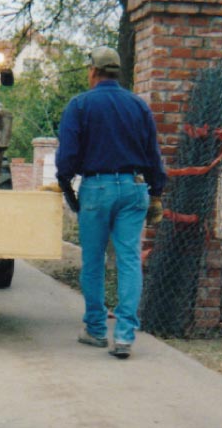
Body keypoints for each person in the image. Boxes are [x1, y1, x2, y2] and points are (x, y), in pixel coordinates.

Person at [54, 46, 166, 359]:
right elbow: (153, 155)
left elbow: (67, 158)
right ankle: (126, 336)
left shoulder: (80, 105)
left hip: (97, 188)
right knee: (129, 259)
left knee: (93, 260)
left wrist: (66, 183)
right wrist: (157, 191)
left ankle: (96, 329)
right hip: (134, 188)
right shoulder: (138, 107)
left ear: (93, 71)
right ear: (117, 72)